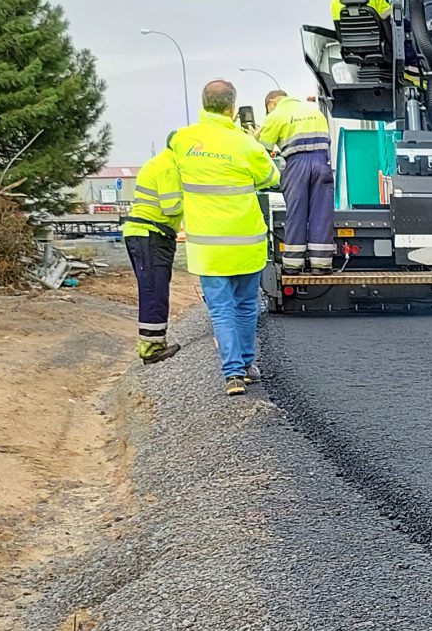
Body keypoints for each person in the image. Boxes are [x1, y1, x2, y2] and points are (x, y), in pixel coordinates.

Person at [151, 80, 278, 395]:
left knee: (221, 309)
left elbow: (170, 167)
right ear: (232, 107)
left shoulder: (182, 140)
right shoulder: (245, 144)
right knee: (246, 305)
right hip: (246, 243)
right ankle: (246, 365)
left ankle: (232, 375)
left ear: (203, 103)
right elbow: (271, 177)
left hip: (207, 247)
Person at [256, 90, 335, 273]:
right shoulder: (314, 111)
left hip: (296, 164)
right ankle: (321, 264)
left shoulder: (276, 115)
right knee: (321, 214)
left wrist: (257, 133)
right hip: (321, 162)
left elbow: (262, 150)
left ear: (271, 103)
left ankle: (293, 264)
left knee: (296, 213)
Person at [120, 138, 182, 364]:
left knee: (153, 288)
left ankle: (153, 343)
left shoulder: (159, 163)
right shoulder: (169, 168)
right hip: (151, 235)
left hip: (144, 233)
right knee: (154, 290)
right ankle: (151, 348)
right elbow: (172, 206)